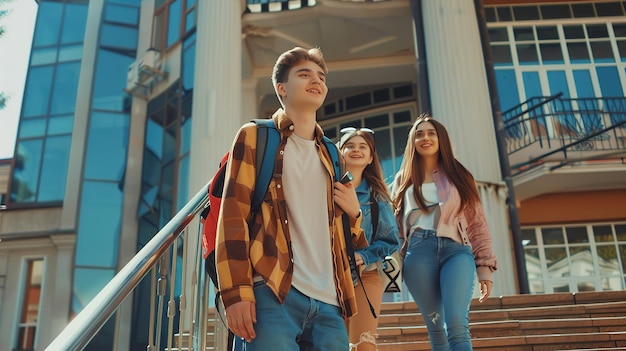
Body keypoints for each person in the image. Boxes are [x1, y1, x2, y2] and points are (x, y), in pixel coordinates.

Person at [215, 47, 367, 351]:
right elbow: (233, 216)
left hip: (330, 303)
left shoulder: (333, 155)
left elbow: (350, 238)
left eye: (321, 76)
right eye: (304, 74)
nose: (317, 80)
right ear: (281, 88)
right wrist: (236, 291)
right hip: (274, 290)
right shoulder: (256, 137)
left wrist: (355, 213)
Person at [391, 114, 498, 351]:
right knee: (436, 328)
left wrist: (485, 268)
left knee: (457, 323)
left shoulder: (460, 175)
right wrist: (395, 257)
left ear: (441, 140)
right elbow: (396, 228)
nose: (425, 138)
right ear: (413, 142)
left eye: (431, 133)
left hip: (456, 251)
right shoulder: (402, 180)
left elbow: (477, 223)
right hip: (417, 255)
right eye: (419, 134)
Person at [338, 127, 400, 351]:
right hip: (330, 278)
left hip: (366, 276)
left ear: (371, 157)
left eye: (362, 147)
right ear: (340, 152)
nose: (356, 150)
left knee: (363, 345)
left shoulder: (377, 196)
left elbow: (390, 240)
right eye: (350, 146)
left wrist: (364, 255)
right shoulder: (327, 191)